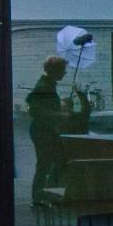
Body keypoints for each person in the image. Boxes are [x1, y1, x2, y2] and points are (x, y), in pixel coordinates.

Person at [24, 56, 69, 198]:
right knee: (45, 163)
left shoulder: (49, 85)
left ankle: (49, 193)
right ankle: (38, 197)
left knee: (58, 160)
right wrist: (60, 115)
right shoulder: (44, 86)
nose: (65, 72)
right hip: (42, 131)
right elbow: (35, 110)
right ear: (54, 70)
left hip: (48, 130)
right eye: (63, 69)